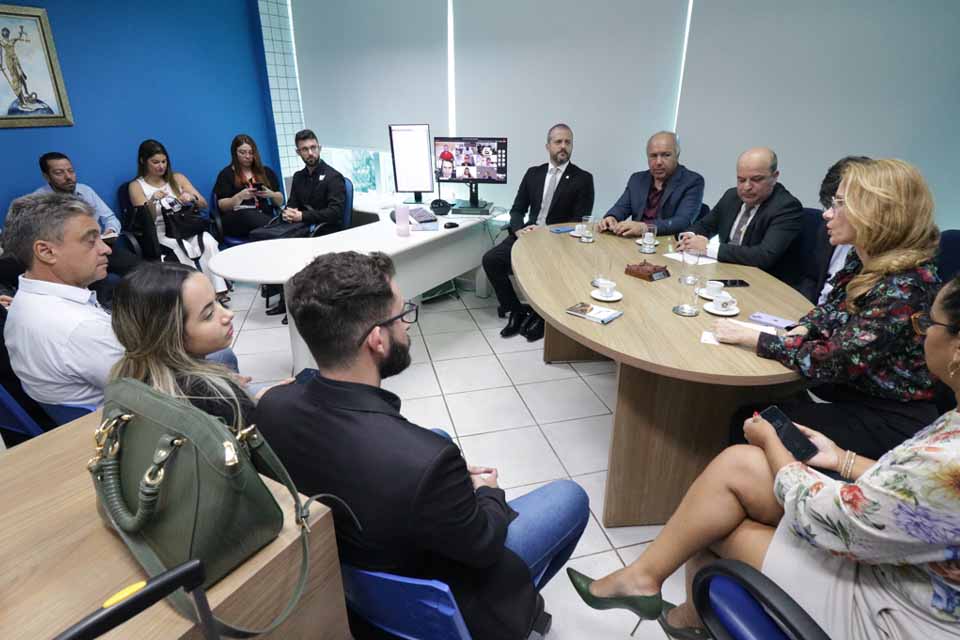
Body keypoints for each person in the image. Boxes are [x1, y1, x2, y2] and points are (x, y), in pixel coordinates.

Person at [568, 275, 960, 639]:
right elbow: (917, 495)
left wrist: (774, 445)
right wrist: (843, 459)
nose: (921, 331)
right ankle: (645, 582)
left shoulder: (947, 460)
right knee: (739, 465)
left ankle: (687, 621)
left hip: (895, 607)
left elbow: (832, 523)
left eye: (928, 323)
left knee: (711, 526)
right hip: (899, 553)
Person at [257, 251, 589, 640]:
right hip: (431, 589)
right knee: (571, 497)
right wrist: (489, 494)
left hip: (347, 575)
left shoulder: (270, 407)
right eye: (402, 315)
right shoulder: (426, 460)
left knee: (439, 437)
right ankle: (510, 612)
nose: (407, 325)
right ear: (377, 340)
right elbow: (483, 544)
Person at [716, 159, 941, 460]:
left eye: (839, 204)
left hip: (887, 417)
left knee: (749, 418)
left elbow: (831, 361)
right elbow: (832, 307)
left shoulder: (905, 287)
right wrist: (805, 327)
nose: (827, 213)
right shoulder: (866, 258)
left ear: (875, 212)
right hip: (849, 390)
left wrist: (755, 338)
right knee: (764, 396)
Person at [2, 193, 240, 408]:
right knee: (222, 357)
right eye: (90, 240)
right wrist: (221, 383)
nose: (105, 249)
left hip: (106, 404)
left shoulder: (23, 301)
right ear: (46, 252)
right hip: (137, 416)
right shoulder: (81, 328)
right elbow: (158, 390)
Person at [481, 123, 595, 342]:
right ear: (548, 146)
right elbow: (517, 210)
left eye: (568, 142)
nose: (563, 146)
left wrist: (544, 233)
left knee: (547, 270)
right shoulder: (533, 173)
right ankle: (515, 310)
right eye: (558, 141)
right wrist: (519, 230)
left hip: (559, 243)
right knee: (491, 260)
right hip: (526, 236)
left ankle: (542, 316)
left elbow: (579, 222)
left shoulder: (583, 178)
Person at [110, 262, 256, 428]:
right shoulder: (218, 399)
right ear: (170, 335)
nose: (228, 314)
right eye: (208, 314)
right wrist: (266, 402)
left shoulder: (127, 378)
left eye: (217, 301)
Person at [677, 148, 803, 281]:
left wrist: (708, 248)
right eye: (741, 180)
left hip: (761, 280)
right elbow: (705, 225)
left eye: (756, 179)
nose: (747, 187)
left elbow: (764, 256)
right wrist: (689, 238)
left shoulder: (786, 207)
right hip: (724, 272)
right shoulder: (731, 196)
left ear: (774, 177)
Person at [128, 139, 229, 305]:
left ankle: (219, 290)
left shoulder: (177, 178)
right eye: (155, 162)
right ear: (143, 161)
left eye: (164, 161)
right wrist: (152, 201)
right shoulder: (136, 186)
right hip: (160, 232)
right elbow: (146, 221)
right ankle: (195, 296)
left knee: (208, 242)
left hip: (185, 226)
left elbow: (203, 204)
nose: (161, 166)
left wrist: (191, 198)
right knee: (183, 249)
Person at [267, 129, 346, 317]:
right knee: (276, 245)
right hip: (303, 227)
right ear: (298, 152)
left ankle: (298, 304)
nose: (310, 153)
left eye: (313, 147)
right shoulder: (298, 177)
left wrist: (302, 216)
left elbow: (335, 213)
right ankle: (285, 300)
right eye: (304, 149)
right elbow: (292, 203)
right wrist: (288, 212)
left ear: (320, 148)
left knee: (291, 249)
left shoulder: (333, 176)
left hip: (326, 229)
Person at [33, 152, 141, 276]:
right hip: (69, 256)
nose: (68, 177)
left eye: (71, 171)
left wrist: (111, 230)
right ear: (46, 176)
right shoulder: (39, 201)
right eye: (59, 173)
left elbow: (109, 217)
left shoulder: (85, 191)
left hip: (99, 246)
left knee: (140, 270)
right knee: (97, 281)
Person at [597, 131, 704, 237]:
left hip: (668, 242)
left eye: (666, 155)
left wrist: (645, 228)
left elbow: (682, 222)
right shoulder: (637, 179)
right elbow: (621, 208)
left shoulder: (692, 181)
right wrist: (612, 217)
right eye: (653, 156)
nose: (658, 162)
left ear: (677, 155)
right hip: (636, 241)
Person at [797, 155, 871, 304]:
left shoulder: (898, 281)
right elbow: (812, 277)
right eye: (830, 204)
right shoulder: (827, 230)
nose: (826, 214)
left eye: (839, 203)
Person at [213, 134, 284, 238]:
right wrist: (239, 197)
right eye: (242, 152)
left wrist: (271, 194)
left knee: (284, 217)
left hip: (264, 217)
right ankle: (279, 230)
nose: (247, 156)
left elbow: (280, 201)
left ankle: (276, 230)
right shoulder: (226, 174)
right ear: (234, 153)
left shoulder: (266, 172)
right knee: (247, 214)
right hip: (237, 220)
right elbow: (221, 206)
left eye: (251, 153)